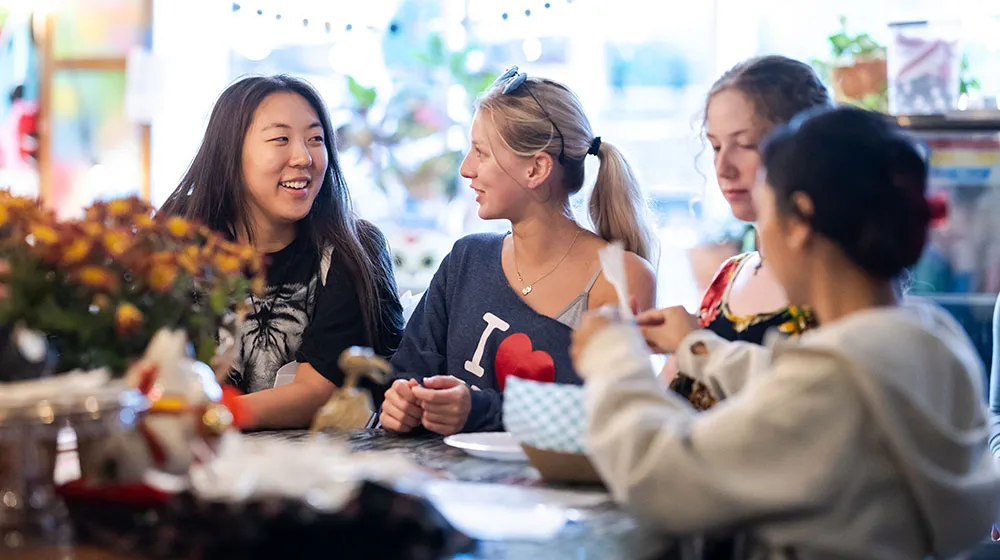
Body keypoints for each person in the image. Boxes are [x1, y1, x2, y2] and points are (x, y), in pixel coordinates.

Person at [570, 107, 999, 558]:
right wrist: (697, 347)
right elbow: (783, 381)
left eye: (764, 203)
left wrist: (614, 360)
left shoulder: (833, 380)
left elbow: (659, 479)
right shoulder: (930, 340)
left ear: (799, 222)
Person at [379, 67, 657, 436]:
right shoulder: (465, 260)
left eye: (481, 152)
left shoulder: (620, 278)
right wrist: (402, 401)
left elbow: (607, 421)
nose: (466, 169)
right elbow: (408, 370)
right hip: (449, 487)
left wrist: (477, 411)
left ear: (537, 168)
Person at [160, 75, 404, 429]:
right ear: (230, 150)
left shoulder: (351, 251)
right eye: (280, 139)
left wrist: (206, 418)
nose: (303, 157)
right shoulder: (176, 239)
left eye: (315, 139)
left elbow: (316, 391)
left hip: (308, 470)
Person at [666, 55, 831, 409]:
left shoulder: (837, 288)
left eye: (745, 145)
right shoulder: (729, 274)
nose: (723, 168)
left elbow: (802, 409)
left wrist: (691, 342)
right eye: (715, 146)